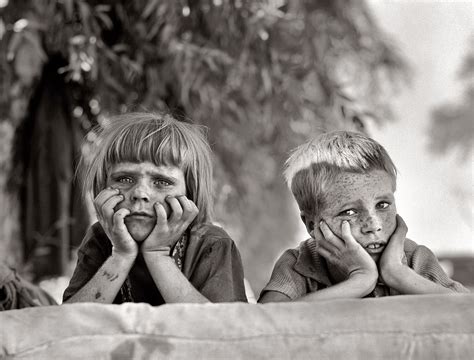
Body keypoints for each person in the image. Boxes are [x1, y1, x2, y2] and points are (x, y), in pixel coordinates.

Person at [259, 131, 468, 303]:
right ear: (312, 225)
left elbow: (468, 313)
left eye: (383, 205)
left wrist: (397, 273)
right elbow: (262, 323)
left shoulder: (415, 259)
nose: (374, 225)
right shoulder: (299, 264)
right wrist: (360, 279)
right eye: (349, 212)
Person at [63, 112, 247, 305]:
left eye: (161, 181)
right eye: (124, 179)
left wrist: (157, 254)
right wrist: (121, 255)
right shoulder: (101, 239)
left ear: (190, 194)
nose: (140, 193)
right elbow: (66, 326)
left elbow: (220, 329)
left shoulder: (212, 244)